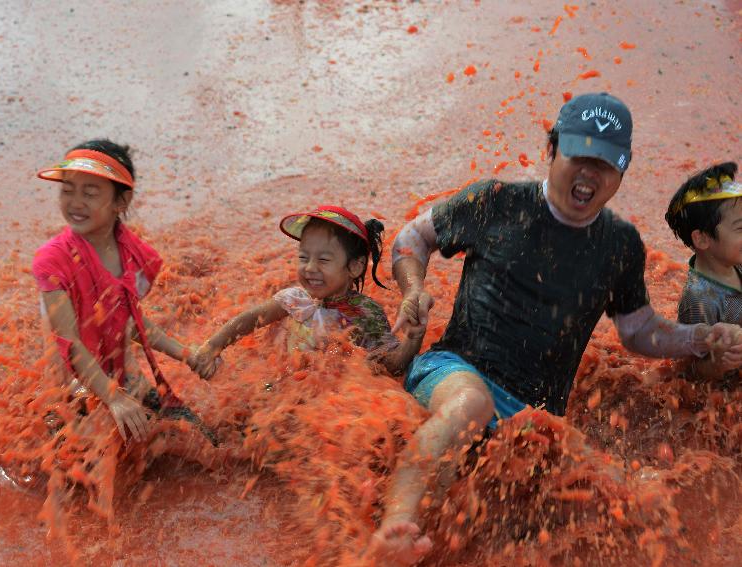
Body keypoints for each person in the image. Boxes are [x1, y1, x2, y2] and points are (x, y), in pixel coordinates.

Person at [367, 93, 742, 565]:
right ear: (552, 151)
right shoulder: (495, 201)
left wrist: (697, 339)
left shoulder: (620, 244)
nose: (588, 173)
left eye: (604, 164)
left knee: (636, 500)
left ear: (621, 174)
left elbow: (638, 331)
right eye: (577, 155)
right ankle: (394, 533)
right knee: (471, 405)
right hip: (455, 370)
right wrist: (413, 289)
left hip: (537, 422)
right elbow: (412, 238)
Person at [33, 139, 209, 445]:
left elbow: (132, 325)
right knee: (73, 472)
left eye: (89, 193)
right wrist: (114, 399)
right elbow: (70, 343)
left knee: (200, 440)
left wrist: (187, 355)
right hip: (72, 387)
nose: (75, 202)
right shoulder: (52, 261)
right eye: (67, 190)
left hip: (124, 379)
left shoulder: (139, 258)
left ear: (121, 202)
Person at [188, 205, 424, 379]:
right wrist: (212, 347)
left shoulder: (365, 313)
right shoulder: (295, 300)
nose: (310, 268)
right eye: (303, 257)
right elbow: (250, 320)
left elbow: (390, 364)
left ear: (355, 266)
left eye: (323, 259)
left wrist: (413, 340)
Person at [666, 161, 742, 382]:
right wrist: (719, 363)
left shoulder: (734, 260)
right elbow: (689, 373)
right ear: (702, 238)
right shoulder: (700, 301)